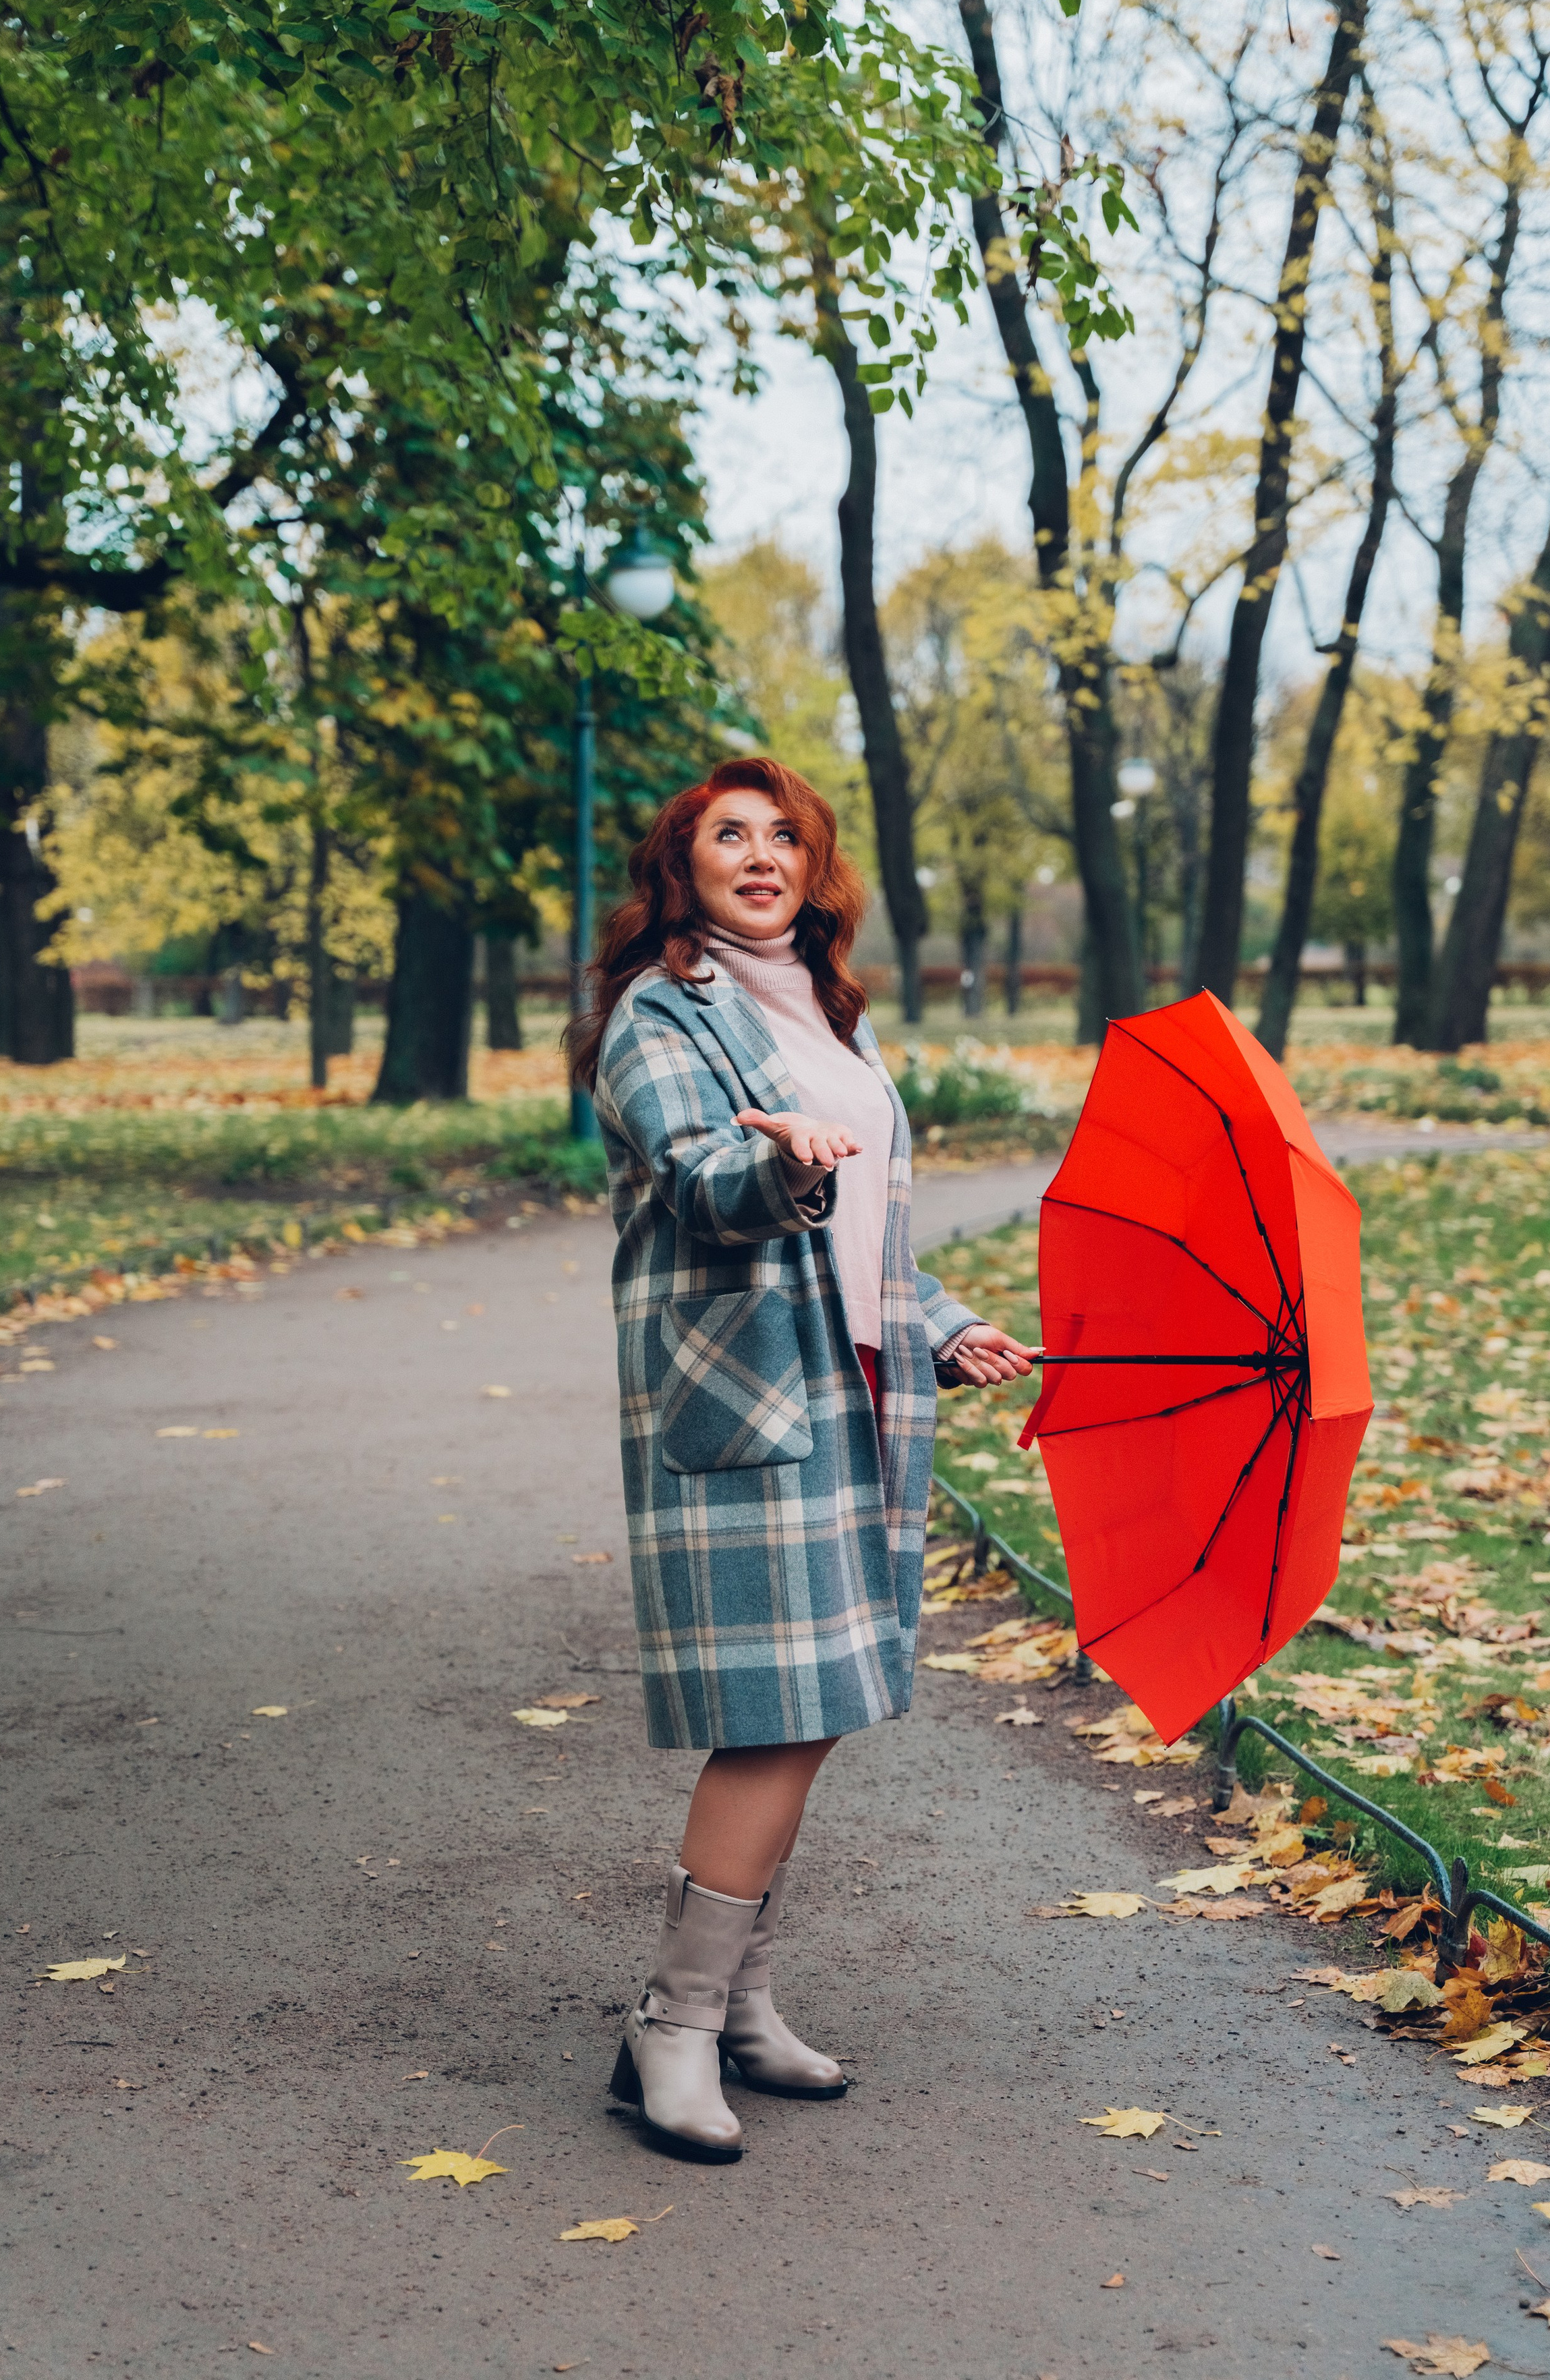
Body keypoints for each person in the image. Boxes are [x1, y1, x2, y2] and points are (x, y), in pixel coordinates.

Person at [567, 756, 1038, 2163]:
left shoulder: (832, 1013)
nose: (760, 855)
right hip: (745, 1397)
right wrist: (784, 1165)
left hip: (857, 1392)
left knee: (813, 1704)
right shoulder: (659, 1012)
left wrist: (946, 1323)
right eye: (728, 834)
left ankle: (738, 2003)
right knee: (770, 1712)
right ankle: (668, 2020)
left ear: (812, 865)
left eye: (784, 834)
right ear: (682, 865)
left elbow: (869, 1234)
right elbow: (708, 1179)